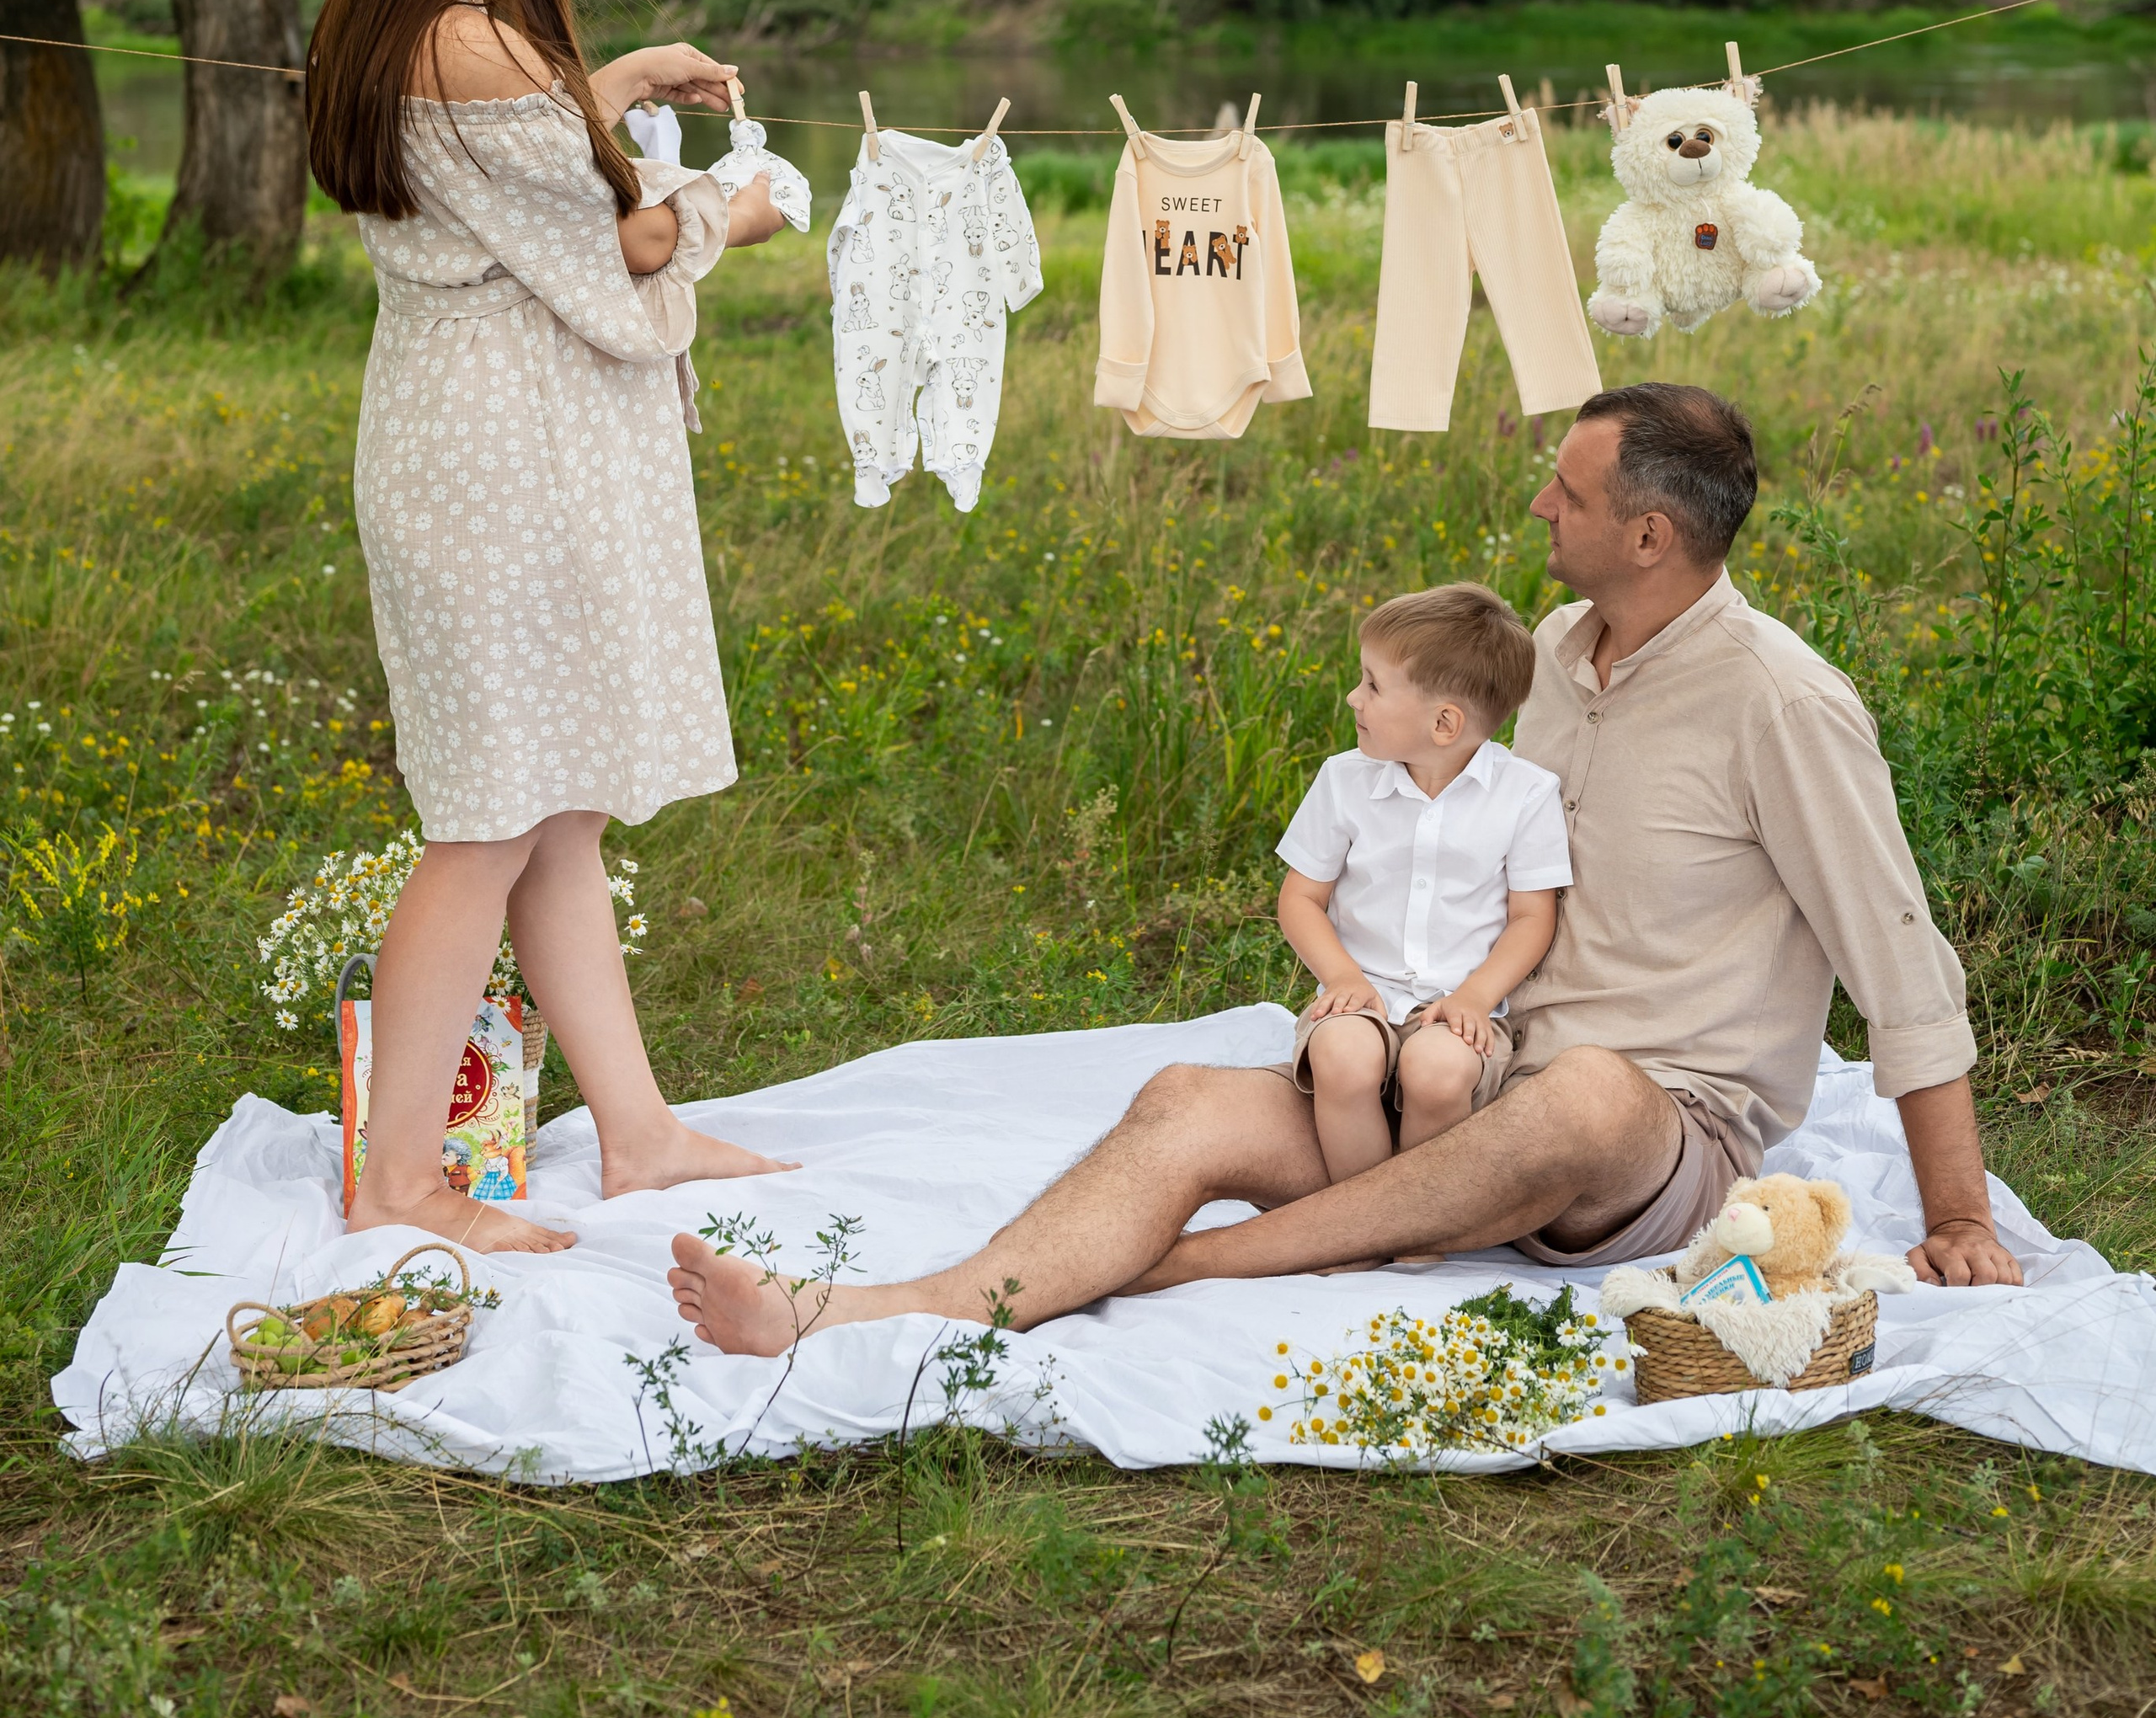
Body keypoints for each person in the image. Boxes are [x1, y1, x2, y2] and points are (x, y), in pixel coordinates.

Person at [668, 380, 2022, 1352]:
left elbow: (1899, 957)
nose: (1540, 498)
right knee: (1190, 1096)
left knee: (1589, 1097)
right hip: (1465, 1085)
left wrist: (1955, 1209)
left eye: (1570, 486)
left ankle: (1177, 1267)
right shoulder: (1545, 652)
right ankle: (877, 1307)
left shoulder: (1784, 702)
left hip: (1651, 1133)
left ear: (1652, 533)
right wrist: (1363, 983)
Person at [308, 0, 793, 1256]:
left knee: (556, 812)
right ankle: (400, 1183)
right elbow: (617, 245)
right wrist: (738, 209)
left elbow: (520, 169)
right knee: (486, 823)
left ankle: (636, 1131)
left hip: (468, 435)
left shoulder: (402, 21)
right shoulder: (481, 44)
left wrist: (622, 76)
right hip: (500, 463)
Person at [1277, 584, 1569, 1180]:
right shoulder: (1344, 780)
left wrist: (1475, 996)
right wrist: (1342, 976)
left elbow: (1532, 917)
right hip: (1362, 993)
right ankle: (1357, 1218)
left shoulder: (1526, 795)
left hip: (1462, 1006)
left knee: (1438, 1072)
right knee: (1342, 1055)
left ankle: (1418, 1234)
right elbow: (1301, 897)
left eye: (1373, 684)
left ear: (1444, 722)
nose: (1353, 696)